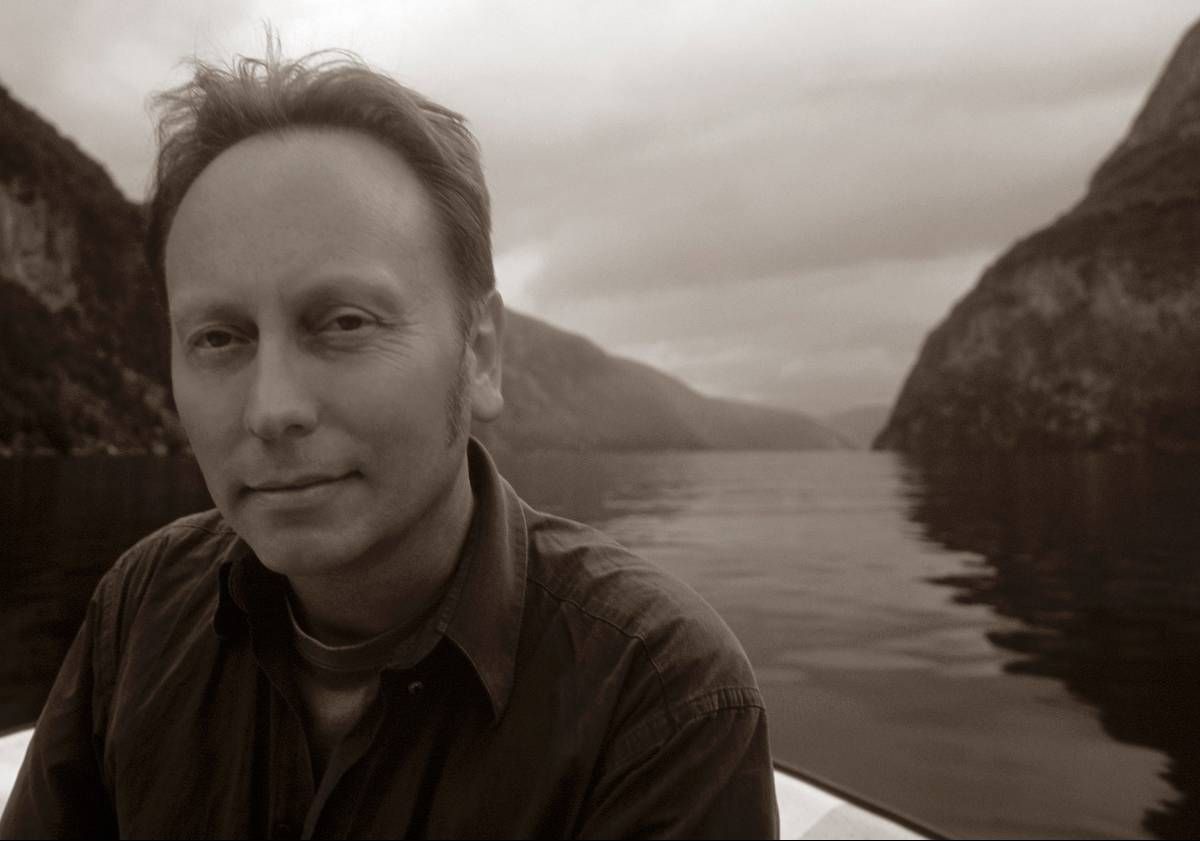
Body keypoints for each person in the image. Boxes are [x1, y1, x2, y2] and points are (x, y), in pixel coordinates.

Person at [0, 43, 779, 840]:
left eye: (344, 323)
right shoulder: (140, 610)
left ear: (479, 354)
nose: (271, 409)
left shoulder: (659, 702)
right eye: (219, 338)